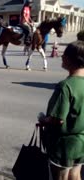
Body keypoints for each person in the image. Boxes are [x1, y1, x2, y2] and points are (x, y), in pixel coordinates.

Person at [39, 41, 84, 180]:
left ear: (71, 59)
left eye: (64, 55)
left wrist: (42, 119)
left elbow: (58, 119)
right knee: (75, 176)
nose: (62, 57)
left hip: (63, 145)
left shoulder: (65, 86)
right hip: (81, 142)